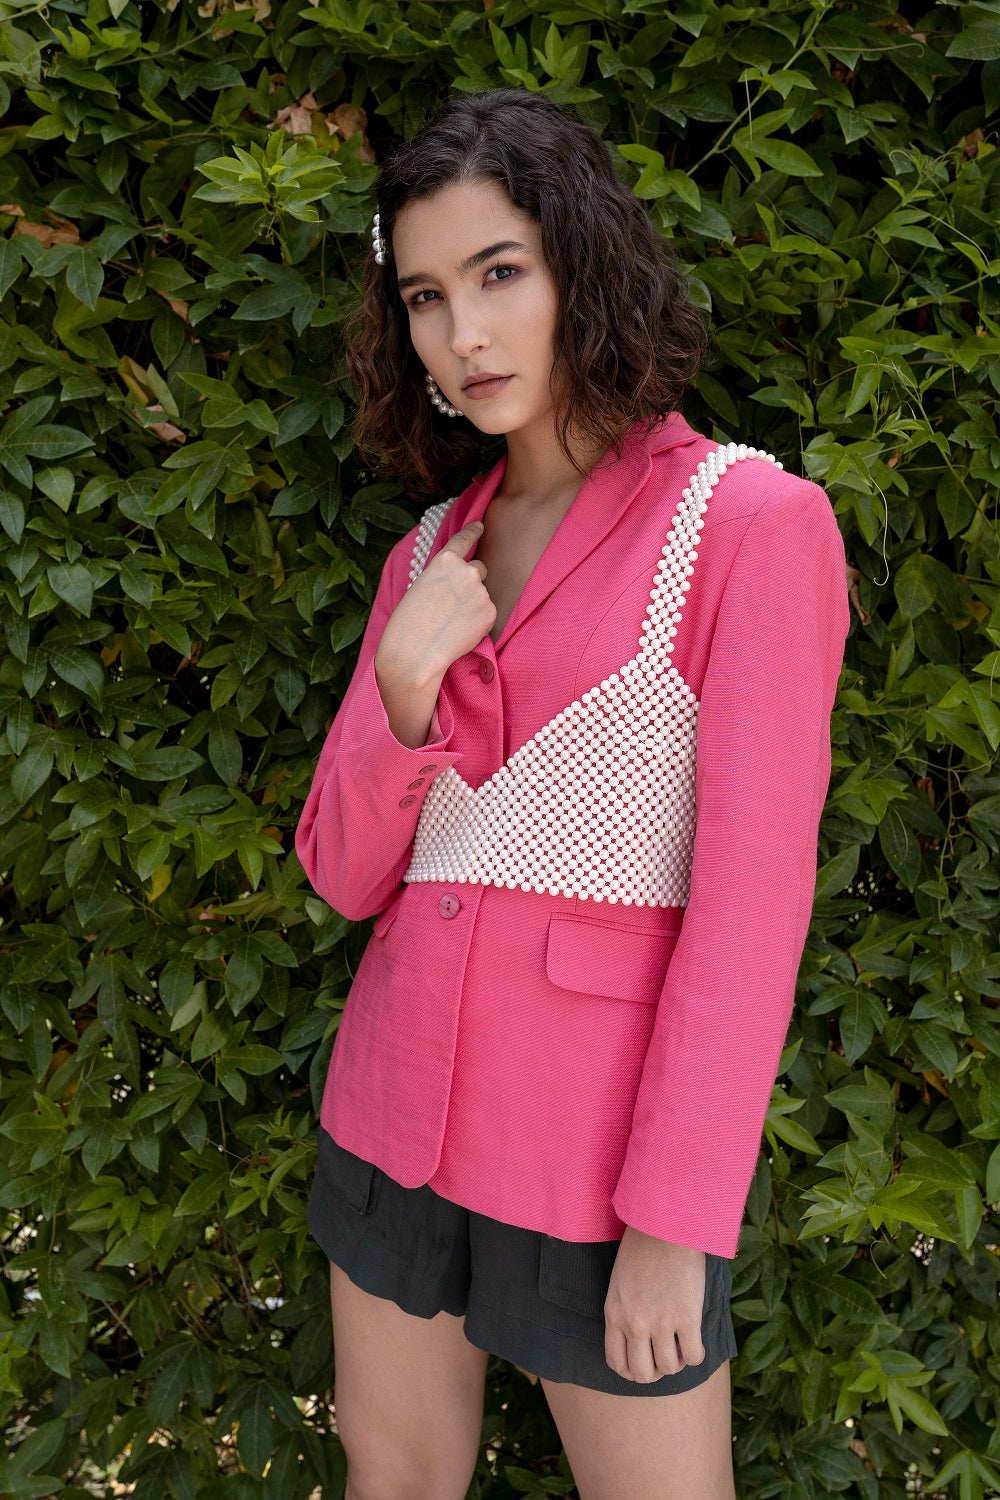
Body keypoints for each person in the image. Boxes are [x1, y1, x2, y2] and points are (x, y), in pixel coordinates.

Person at [296, 87, 850, 1500]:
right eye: (426, 297)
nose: (463, 335)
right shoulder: (429, 552)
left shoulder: (750, 525)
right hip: (390, 1117)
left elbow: (751, 912)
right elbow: (344, 875)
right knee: (391, 1481)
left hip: (597, 1164)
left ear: (582, 267)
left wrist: (677, 1220)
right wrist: (404, 692)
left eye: (500, 274)